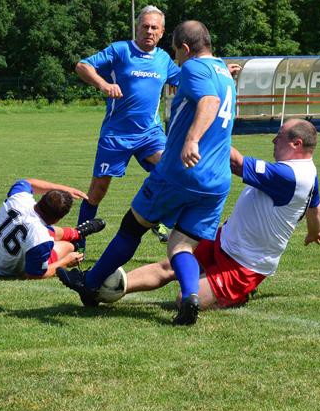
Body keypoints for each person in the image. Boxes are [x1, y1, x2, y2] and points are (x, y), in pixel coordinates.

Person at [59, 20, 237, 325]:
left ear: (184, 48)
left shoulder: (194, 68)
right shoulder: (224, 71)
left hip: (181, 172)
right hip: (217, 181)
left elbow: (209, 102)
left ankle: (89, 284)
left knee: (132, 226)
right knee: (182, 244)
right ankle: (190, 297)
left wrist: (191, 140)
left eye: (177, 53)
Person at [121, 119, 320, 310]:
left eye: (280, 136)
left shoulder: (290, 176)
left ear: (296, 144)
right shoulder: (307, 171)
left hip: (245, 263)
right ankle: (111, 286)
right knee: (170, 265)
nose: (273, 140)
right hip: (225, 239)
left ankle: (240, 293)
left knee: (184, 300)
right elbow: (315, 207)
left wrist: (208, 129)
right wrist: (315, 231)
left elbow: (236, 163)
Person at [74, 5, 181, 245]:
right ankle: (77, 240)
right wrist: (103, 85)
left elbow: (186, 79)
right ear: (137, 28)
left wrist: (219, 71)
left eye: (155, 27)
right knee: (97, 192)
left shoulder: (163, 59)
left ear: (162, 32)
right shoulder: (120, 50)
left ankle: (160, 220)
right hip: (116, 135)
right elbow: (82, 66)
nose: (149, 31)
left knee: (171, 172)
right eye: (145, 26)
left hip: (150, 135)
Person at [0, 178, 107, 279]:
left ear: (42, 199)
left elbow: (27, 182)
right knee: (69, 247)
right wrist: (66, 262)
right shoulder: (41, 237)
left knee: (43, 231)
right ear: (57, 219)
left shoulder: (19, 199)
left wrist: (64, 189)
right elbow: (34, 274)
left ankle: (77, 232)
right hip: (3, 269)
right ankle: (76, 236)